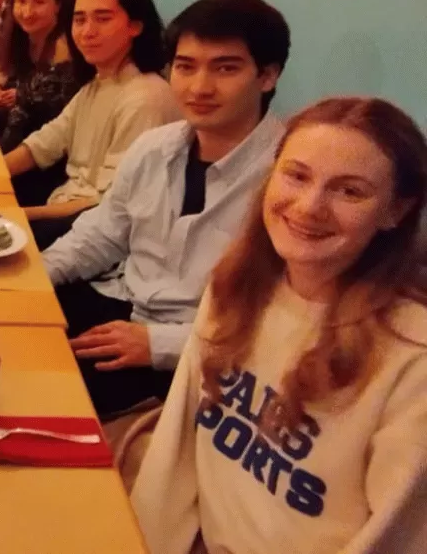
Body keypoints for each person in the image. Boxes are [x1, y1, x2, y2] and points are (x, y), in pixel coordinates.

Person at [132, 97, 427, 554]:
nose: (309, 207)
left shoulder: (412, 361)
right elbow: (175, 453)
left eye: (350, 191)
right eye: (297, 175)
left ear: (395, 211)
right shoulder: (236, 286)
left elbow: (393, 538)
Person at [43, 0, 291, 418]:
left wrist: (158, 345)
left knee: (42, 401)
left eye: (225, 68)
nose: (199, 87)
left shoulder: (288, 179)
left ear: (267, 76)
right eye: (185, 66)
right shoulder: (156, 148)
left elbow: (282, 323)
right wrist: (37, 277)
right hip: (121, 302)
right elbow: (102, 233)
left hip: (197, 352)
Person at [5, 0, 180, 249]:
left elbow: (108, 204)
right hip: (65, 205)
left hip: (94, 229)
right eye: (79, 20)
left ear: (135, 26)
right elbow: (46, 142)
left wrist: (18, 215)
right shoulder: (98, 83)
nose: (87, 32)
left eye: (102, 19)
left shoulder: (146, 98)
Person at [0, 0, 82, 204]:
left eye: (39, 2)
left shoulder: (63, 49)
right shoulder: (23, 37)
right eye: (20, 2)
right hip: (24, 137)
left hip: (49, 159)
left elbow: (52, 119)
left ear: (59, 5)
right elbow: (5, 72)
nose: (27, 11)